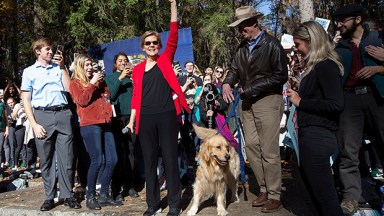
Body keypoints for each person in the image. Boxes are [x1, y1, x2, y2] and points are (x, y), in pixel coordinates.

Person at [126, 1, 189, 215]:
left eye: (155, 42)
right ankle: (152, 204)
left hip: (167, 116)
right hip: (145, 119)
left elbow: (173, 34)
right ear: (142, 47)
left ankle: (174, 204)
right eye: (148, 43)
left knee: (170, 160)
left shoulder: (165, 59)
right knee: (150, 162)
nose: (153, 45)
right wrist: (133, 119)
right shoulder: (137, 70)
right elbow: (136, 97)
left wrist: (173, 6)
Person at [222, 6, 288, 213]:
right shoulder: (242, 47)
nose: (240, 30)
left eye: (243, 26)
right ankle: (263, 189)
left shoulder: (272, 44)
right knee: (251, 146)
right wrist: (226, 83)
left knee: (269, 151)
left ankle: (275, 194)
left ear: (254, 23)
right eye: (238, 27)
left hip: (268, 101)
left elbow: (280, 76)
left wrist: (249, 88)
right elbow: (234, 70)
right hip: (247, 103)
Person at [287, 21, 344, 215]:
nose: (296, 48)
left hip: (318, 137)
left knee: (325, 198)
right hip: (310, 136)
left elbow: (336, 104)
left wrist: (301, 102)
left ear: (311, 41)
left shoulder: (326, 66)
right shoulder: (315, 67)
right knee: (309, 195)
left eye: (298, 44)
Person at [332, 4, 384, 215]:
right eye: (337, 20)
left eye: (343, 20)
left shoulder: (379, 38)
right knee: (349, 151)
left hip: (377, 99)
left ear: (358, 19)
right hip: (349, 101)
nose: (339, 24)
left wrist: (379, 67)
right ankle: (351, 197)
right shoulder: (337, 47)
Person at [21, 37, 81, 211]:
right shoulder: (29, 71)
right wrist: (34, 124)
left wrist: (62, 67)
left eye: (51, 49)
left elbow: (70, 89)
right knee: (46, 159)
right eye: (47, 49)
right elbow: (26, 100)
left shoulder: (58, 68)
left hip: (63, 113)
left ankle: (67, 195)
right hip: (42, 116)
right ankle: (49, 196)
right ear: (38, 51)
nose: (51, 51)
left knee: (68, 158)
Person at [69, 54, 121, 210]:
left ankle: (104, 194)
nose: (90, 67)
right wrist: (91, 84)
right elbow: (83, 101)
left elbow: (107, 96)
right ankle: (90, 196)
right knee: (97, 160)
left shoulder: (99, 81)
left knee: (112, 159)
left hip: (105, 123)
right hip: (90, 125)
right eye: (86, 65)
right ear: (79, 67)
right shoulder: (75, 83)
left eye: (91, 65)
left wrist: (100, 85)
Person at [105, 52, 141, 201]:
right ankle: (116, 187)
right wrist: (120, 78)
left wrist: (133, 79)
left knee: (132, 151)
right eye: (120, 61)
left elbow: (138, 95)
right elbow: (111, 95)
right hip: (117, 118)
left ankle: (130, 185)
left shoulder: (132, 77)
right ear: (115, 64)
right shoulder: (110, 77)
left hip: (132, 117)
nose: (123, 63)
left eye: (125, 60)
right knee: (119, 153)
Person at [8, 96, 27, 169]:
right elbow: (12, 117)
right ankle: (16, 164)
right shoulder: (17, 106)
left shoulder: (21, 105)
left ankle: (26, 162)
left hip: (27, 126)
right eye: (9, 103)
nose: (11, 104)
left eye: (11, 102)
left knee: (27, 146)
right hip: (20, 127)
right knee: (18, 146)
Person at [0, 100, 9, 167]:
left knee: (0, 149)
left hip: (2, 129)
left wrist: (7, 129)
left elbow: (6, 117)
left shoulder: (2, 104)